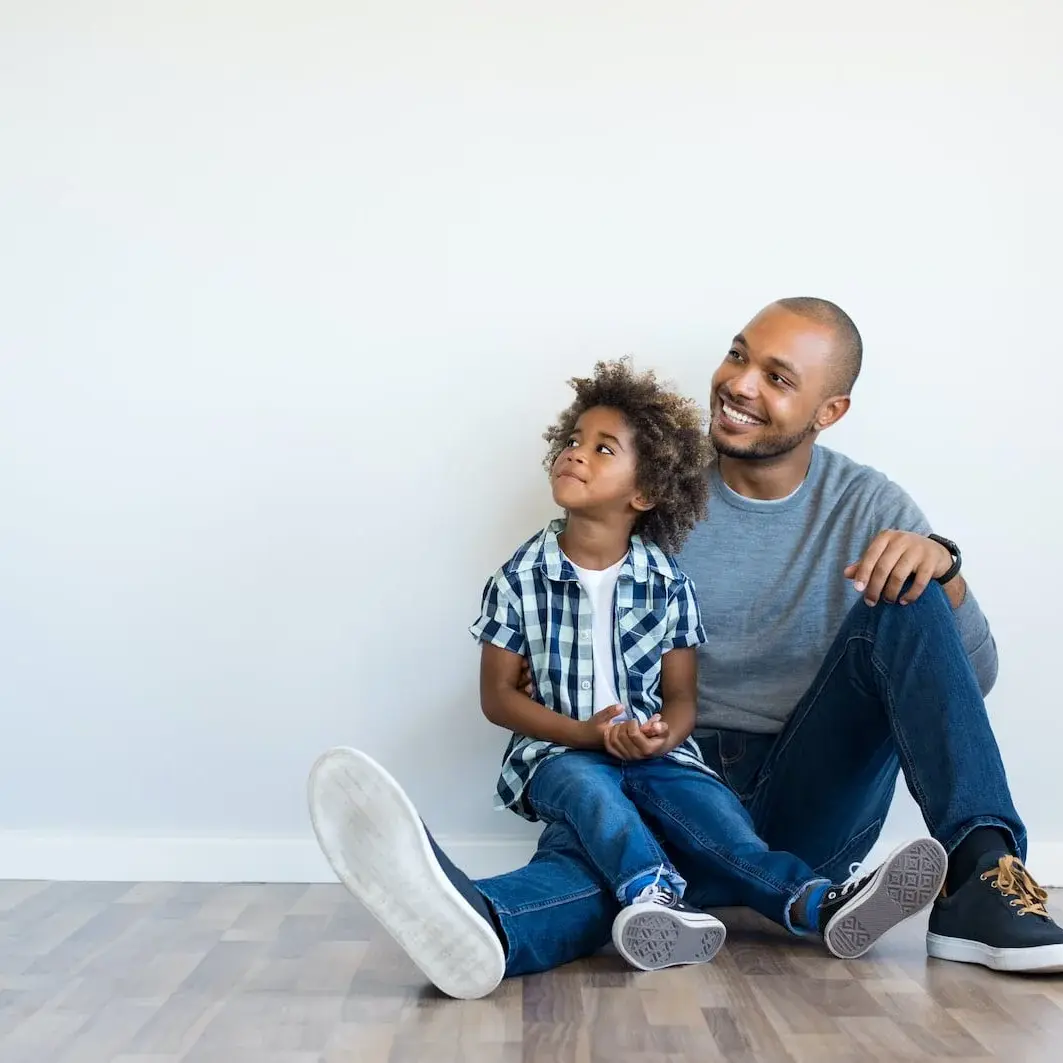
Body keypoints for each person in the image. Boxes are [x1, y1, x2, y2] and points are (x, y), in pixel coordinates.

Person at [307, 352, 953, 999]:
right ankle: (651, 896)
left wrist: (661, 734)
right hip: (559, 754)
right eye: (572, 439)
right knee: (596, 801)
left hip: (656, 756)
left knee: (717, 821)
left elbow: (681, 700)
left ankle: (815, 903)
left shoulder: (667, 582)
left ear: (642, 494)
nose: (574, 452)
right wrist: (585, 735)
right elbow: (497, 697)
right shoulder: (518, 579)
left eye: (602, 448)